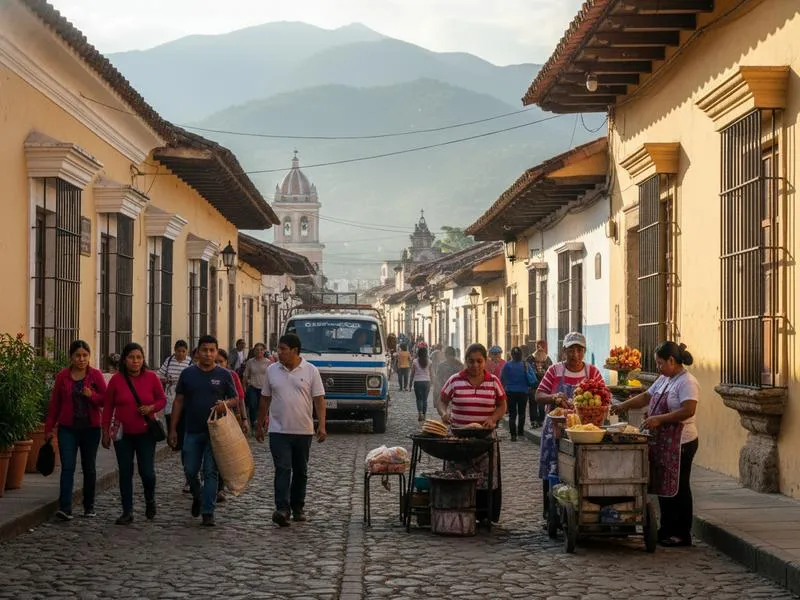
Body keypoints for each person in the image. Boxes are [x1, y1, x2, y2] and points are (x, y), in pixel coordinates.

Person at [611, 341, 699, 547]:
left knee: (679, 488)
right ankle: (666, 528)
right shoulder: (663, 379)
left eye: (660, 363)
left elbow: (688, 410)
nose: (658, 367)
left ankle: (682, 532)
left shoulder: (687, 382)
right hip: (662, 442)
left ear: (672, 360)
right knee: (663, 487)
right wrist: (622, 405)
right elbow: (645, 397)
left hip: (682, 442)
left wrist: (660, 419)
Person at [255, 333, 327, 527]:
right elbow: (265, 399)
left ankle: (298, 507)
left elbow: (319, 400)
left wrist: (322, 425)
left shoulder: (311, 371)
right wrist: (259, 424)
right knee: (283, 468)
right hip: (278, 430)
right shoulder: (272, 370)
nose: (279, 353)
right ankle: (282, 509)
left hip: (303, 430)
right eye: (278, 349)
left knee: (301, 471)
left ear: (295, 351)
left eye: (283, 349)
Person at [168, 335, 239, 527]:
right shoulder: (188, 374)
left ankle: (208, 511)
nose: (208, 354)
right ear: (197, 352)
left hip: (215, 433)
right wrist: (173, 429)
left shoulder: (224, 375)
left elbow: (235, 398)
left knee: (210, 472)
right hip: (191, 431)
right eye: (204, 350)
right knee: (190, 470)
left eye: (212, 350)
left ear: (216, 352)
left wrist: (225, 404)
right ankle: (197, 494)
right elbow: (179, 401)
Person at [535, 332, 604, 521]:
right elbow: (539, 395)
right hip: (555, 430)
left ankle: (582, 510)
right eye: (571, 349)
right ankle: (550, 512)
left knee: (581, 469)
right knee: (552, 469)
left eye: (579, 349)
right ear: (563, 351)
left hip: (584, 431)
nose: (575, 354)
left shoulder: (592, 372)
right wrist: (554, 397)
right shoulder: (554, 371)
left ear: (584, 351)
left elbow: (603, 397)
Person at [438, 343, 507, 523]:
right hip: (459, 438)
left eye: (479, 361)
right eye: (471, 361)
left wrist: (493, 418)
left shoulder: (493, 382)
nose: (475, 365)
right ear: (465, 361)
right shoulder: (455, 380)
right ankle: (457, 511)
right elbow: (442, 401)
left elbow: (502, 405)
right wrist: (444, 413)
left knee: (484, 480)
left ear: (485, 361)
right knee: (457, 477)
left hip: (484, 440)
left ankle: (483, 514)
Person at [102, 342, 166, 525]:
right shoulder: (116, 380)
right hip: (123, 434)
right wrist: (105, 430)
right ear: (124, 360)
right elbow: (108, 407)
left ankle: (150, 499)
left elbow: (161, 399)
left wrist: (151, 407)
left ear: (143, 359)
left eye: (138, 357)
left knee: (147, 472)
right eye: (131, 357)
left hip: (146, 433)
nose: (135, 361)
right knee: (125, 472)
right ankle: (127, 511)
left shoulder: (152, 378)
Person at [45, 340, 107, 521]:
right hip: (68, 429)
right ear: (71, 357)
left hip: (90, 429)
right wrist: (49, 429)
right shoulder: (62, 377)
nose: (81, 359)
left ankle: (89, 505)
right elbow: (55, 405)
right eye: (77, 356)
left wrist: (92, 396)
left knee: (89, 468)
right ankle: (65, 507)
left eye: (85, 355)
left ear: (89, 356)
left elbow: (105, 400)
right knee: (68, 467)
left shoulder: (95, 375)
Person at [215, 348, 249, 503]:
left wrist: (244, 419)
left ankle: (220, 488)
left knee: (223, 455)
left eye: (220, 361)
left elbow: (240, 398)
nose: (217, 364)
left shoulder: (231, 375)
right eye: (215, 362)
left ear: (227, 363)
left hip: (227, 421)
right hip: (209, 421)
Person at [501, 347, 537, 441]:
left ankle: (513, 435)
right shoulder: (525, 365)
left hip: (510, 392)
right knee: (522, 413)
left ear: (511, 355)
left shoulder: (507, 365)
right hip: (523, 392)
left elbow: (502, 378)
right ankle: (520, 434)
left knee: (512, 414)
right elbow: (533, 378)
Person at [243, 342, 270, 432]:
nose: (259, 351)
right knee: (252, 406)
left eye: (261, 350)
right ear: (254, 351)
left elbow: (271, 376)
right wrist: (244, 387)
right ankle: (254, 425)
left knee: (262, 407)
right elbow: (246, 375)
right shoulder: (250, 362)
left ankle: (261, 424)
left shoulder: (268, 362)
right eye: (257, 350)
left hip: (264, 388)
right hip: (253, 387)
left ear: (264, 351)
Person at [527, 340, 552, 428]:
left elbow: (527, 371)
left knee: (536, 404)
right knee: (538, 403)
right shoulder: (547, 359)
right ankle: (538, 420)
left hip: (535, 385)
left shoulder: (530, 358)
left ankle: (537, 421)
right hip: (538, 385)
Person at [409, 346, 432, 422]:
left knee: (419, 399)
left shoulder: (415, 361)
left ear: (418, 353)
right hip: (427, 382)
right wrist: (432, 383)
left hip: (417, 382)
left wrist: (410, 384)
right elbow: (431, 374)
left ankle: (420, 414)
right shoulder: (429, 361)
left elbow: (412, 374)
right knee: (425, 399)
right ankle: (424, 415)